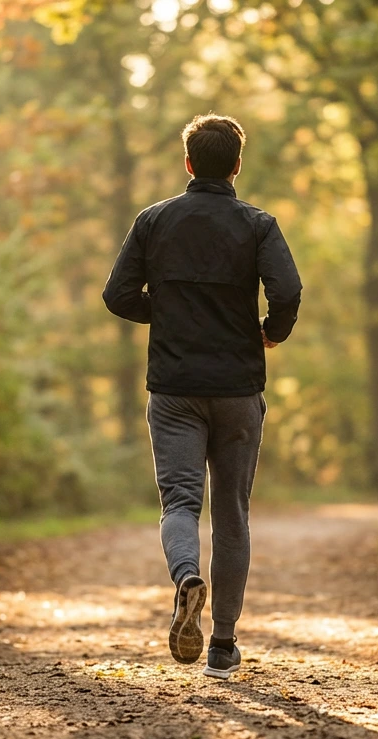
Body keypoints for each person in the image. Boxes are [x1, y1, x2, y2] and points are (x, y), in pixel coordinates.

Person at [101, 113, 302, 679]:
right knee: (232, 512)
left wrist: (164, 314)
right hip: (238, 388)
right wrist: (271, 330)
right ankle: (223, 647)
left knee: (180, 502)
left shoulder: (153, 221)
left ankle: (187, 578)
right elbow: (287, 291)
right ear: (237, 165)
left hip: (174, 389)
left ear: (188, 163)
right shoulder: (257, 225)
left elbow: (117, 295)